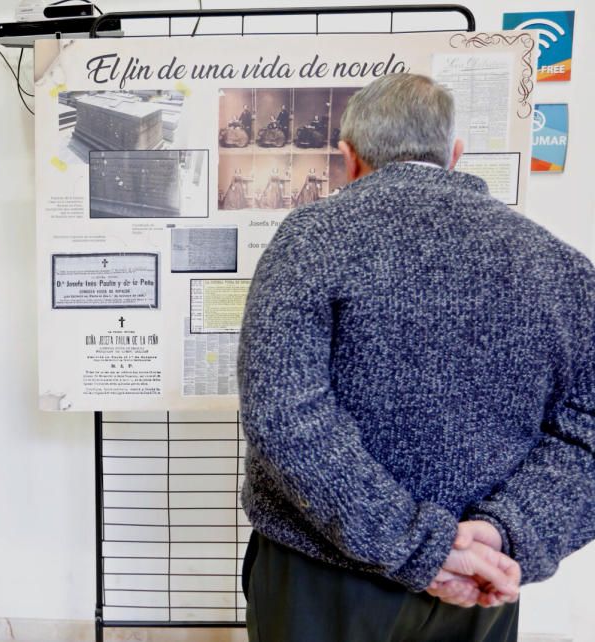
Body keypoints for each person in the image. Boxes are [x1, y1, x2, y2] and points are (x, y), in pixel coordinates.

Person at [238, 73, 594, 642]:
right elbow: (588, 435)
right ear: (455, 155)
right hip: (482, 580)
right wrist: (505, 534)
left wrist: (416, 547)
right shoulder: (563, 268)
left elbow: (283, 416)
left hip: (322, 579)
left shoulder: (310, 238)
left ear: (348, 158)